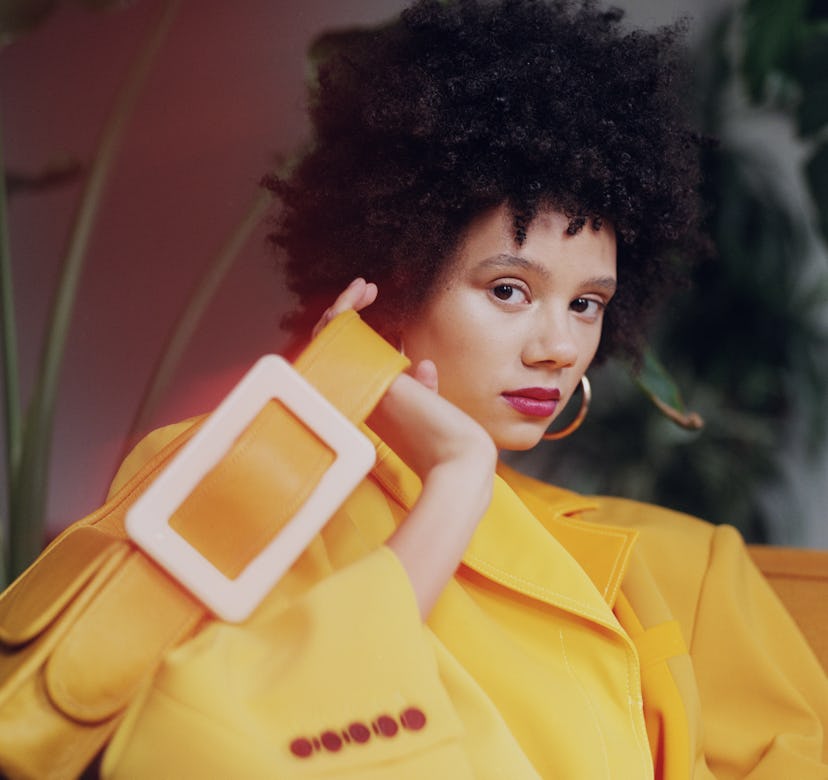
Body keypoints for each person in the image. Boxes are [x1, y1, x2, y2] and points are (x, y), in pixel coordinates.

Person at [100, 0, 828, 777]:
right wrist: (454, 484)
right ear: (391, 284)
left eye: (587, 304)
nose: (558, 348)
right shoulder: (226, 487)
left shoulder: (687, 569)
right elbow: (193, 752)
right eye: (509, 290)